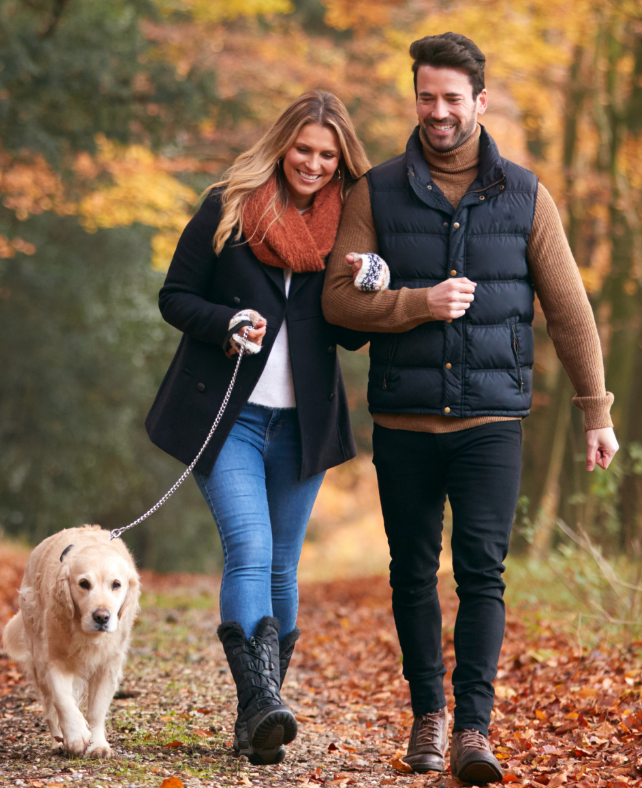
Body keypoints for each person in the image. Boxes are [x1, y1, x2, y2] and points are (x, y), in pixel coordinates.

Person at [322, 33, 619, 785]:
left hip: (492, 421)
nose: (439, 111)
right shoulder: (376, 193)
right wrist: (417, 304)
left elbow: (571, 310)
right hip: (404, 421)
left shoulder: (525, 195)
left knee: (483, 573)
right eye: (427, 96)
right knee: (413, 574)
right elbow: (335, 301)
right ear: (415, 97)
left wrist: (597, 412)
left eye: (454, 98)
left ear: (480, 102)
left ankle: (474, 730)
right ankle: (429, 715)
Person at [145, 90, 370, 766]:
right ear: (282, 144)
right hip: (230, 416)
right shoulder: (230, 207)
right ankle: (261, 705)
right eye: (304, 149)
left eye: (327, 155)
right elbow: (175, 296)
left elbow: (353, 339)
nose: (314, 163)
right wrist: (226, 323)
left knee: (283, 564)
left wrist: (366, 285)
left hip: (304, 426)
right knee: (249, 547)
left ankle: (258, 714)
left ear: (340, 161)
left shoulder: (352, 228)